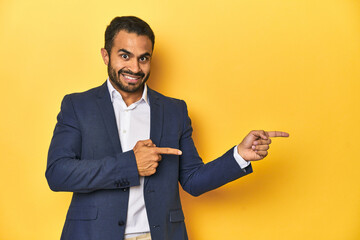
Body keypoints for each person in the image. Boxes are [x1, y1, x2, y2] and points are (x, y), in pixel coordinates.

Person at [46, 16, 289, 240]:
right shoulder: (78, 106)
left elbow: (193, 180)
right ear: (106, 55)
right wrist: (131, 164)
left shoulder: (174, 111)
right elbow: (57, 173)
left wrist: (239, 155)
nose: (135, 68)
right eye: (125, 55)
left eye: (143, 57)